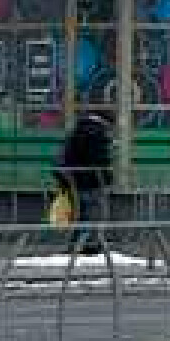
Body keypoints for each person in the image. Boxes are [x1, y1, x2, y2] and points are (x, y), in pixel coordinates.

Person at [53, 107, 115, 256]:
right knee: (94, 214)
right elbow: (98, 160)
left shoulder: (77, 130)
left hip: (74, 181)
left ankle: (79, 245)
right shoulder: (96, 132)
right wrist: (107, 178)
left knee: (82, 214)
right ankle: (87, 247)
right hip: (91, 182)